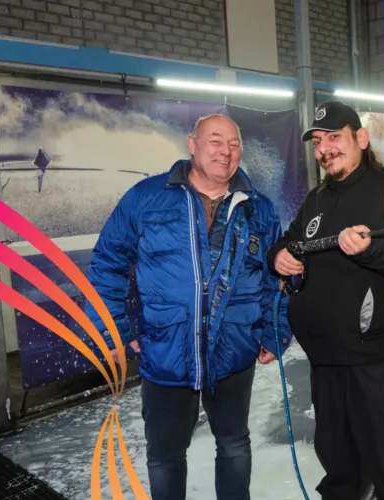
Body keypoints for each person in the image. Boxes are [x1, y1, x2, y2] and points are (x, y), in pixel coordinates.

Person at [85, 114, 292, 500]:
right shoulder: (146, 198)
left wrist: (274, 331)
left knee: (234, 445)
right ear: (192, 144)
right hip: (167, 351)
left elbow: (275, 278)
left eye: (233, 144)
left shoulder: (259, 209)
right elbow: (107, 265)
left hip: (234, 352)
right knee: (165, 456)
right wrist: (111, 330)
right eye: (215, 141)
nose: (225, 151)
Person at [266, 100, 384, 500]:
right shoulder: (316, 200)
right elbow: (288, 241)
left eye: (334, 137)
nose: (325, 149)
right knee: (340, 469)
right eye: (318, 142)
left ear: (360, 138)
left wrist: (370, 250)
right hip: (326, 362)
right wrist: (279, 257)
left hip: (377, 363)